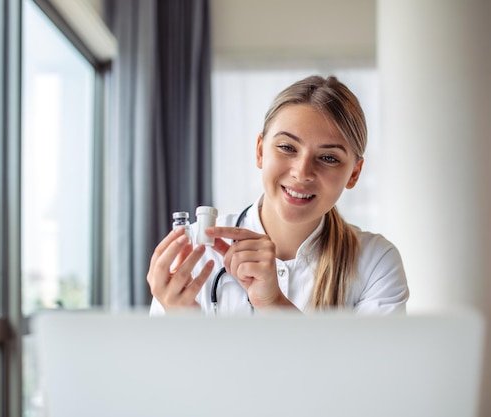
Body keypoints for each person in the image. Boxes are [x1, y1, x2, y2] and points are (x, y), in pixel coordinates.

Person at [147, 75, 409, 315]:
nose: (302, 172)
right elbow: (158, 366)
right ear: (260, 151)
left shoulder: (376, 262)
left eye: (328, 158)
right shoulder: (194, 253)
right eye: (286, 147)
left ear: (354, 173)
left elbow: (371, 367)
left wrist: (274, 303)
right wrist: (184, 326)